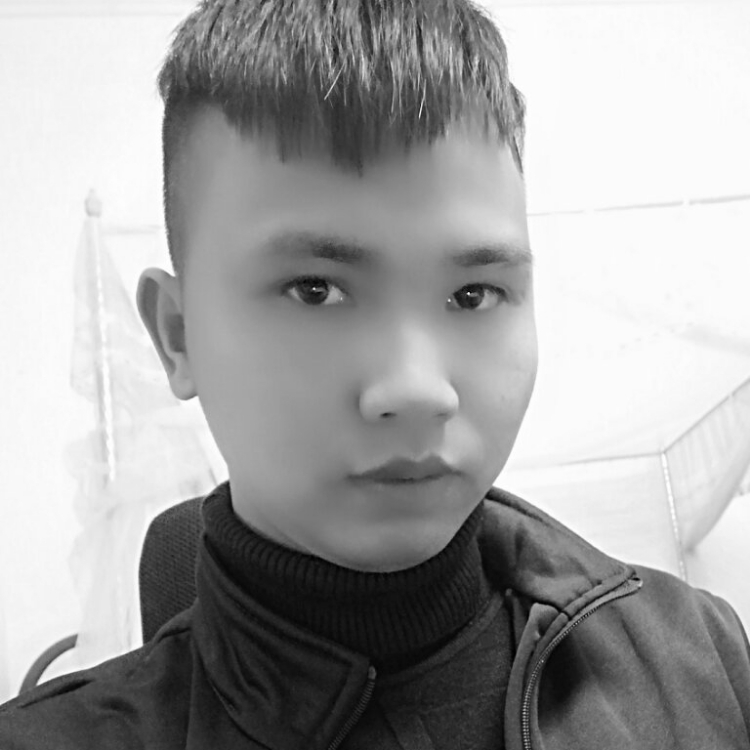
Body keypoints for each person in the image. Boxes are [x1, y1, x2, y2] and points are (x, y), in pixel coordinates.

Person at [2, 0, 750, 747]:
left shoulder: (700, 663)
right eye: (315, 290)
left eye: (472, 295)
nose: (417, 390)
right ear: (177, 335)